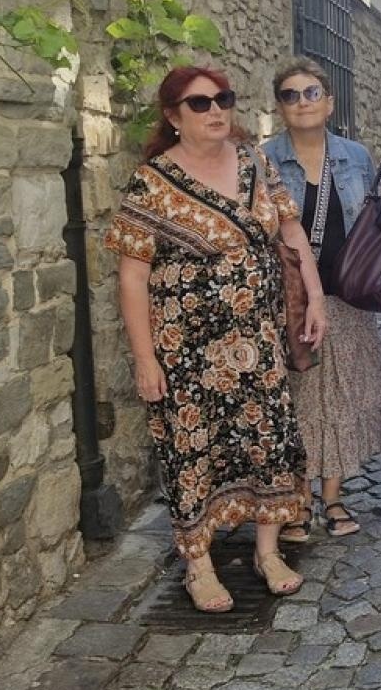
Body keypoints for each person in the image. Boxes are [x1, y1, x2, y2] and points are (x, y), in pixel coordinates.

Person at [106, 66, 322, 612]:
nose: (215, 111)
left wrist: (314, 299)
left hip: (260, 340)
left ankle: (268, 552)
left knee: (269, 440)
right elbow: (132, 276)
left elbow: (291, 231)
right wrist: (144, 358)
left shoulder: (257, 162)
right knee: (192, 450)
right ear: (174, 117)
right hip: (186, 352)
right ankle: (198, 564)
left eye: (222, 99)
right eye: (199, 104)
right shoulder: (152, 182)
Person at [262, 59, 381, 540]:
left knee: (342, 398)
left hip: (347, 292)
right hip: (292, 298)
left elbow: (378, 222)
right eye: (291, 95)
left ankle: (334, 497)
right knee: (298, 398)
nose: (303, 102)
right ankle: (297, 499)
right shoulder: (264, 159)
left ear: (330, 101)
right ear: (280, 107)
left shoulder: (357, 157)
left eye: (311, 92)